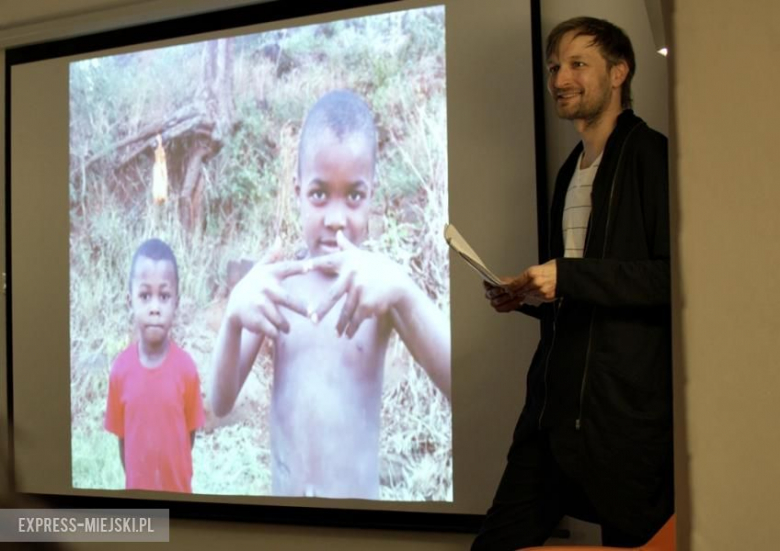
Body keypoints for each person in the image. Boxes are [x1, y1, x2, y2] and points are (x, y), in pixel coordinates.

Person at [473, 17, 673, 549]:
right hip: (552, 412)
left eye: (578, 64)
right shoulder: (570, 171)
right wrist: (528, 295)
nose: (560, 78)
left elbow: (672, 278)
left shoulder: (651, 155)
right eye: (555, 66)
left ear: (619, 72)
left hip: (622, 420)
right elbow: (581, 296)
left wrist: (569, 274)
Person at [210, 89, 451, 499]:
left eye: (354, 196)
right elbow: (220, 402)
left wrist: (406, 292)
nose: (336, 218)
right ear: (297, 190)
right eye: (319, 194)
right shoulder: (278, 287)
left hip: (358, 533)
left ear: (372, 194)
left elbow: (458, 383)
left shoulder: (380, 291)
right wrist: (233, 317)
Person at [105, 238, 205, 493]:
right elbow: (123, 442)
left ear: (176, 303)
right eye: (145, 296)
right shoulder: (120, 370)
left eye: (164, 296)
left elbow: (188, 438)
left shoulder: (187, 370)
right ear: (130, 301)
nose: (154, 308)